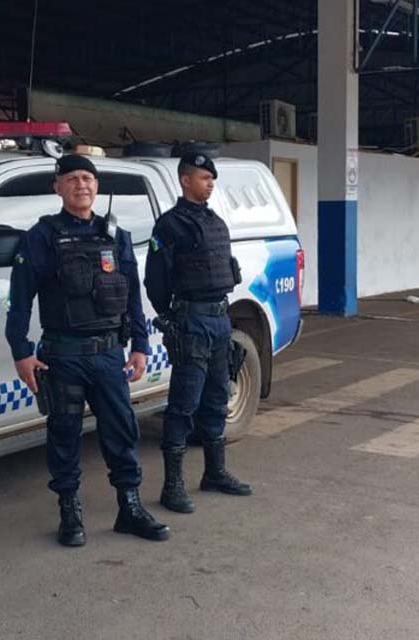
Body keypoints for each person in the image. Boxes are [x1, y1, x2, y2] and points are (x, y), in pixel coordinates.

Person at [6, 153, 169, 547]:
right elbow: (19, 300)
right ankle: (69, 512)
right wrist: (21, 351)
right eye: (73, 178)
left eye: (88, 178)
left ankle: (129, 508)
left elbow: (132, 297)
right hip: (62, 355)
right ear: (57, 187)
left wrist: (141, 345)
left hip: (109, 354)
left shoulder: (117, 236)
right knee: (64, 434)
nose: (82, 185)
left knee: (121, 431)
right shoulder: (41, 237)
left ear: (97, 186)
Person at [145, 153, 252, 515]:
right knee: (183, 404)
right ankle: (172, 485)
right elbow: (155, 280)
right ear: (185, 180)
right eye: (204, 178)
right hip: (191, 321)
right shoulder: (169, 225)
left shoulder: (215, 221)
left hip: (220, 319)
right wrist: (171, 317)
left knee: (218, 397)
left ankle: (215, 472)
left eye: (212, 178)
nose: (210, 184)